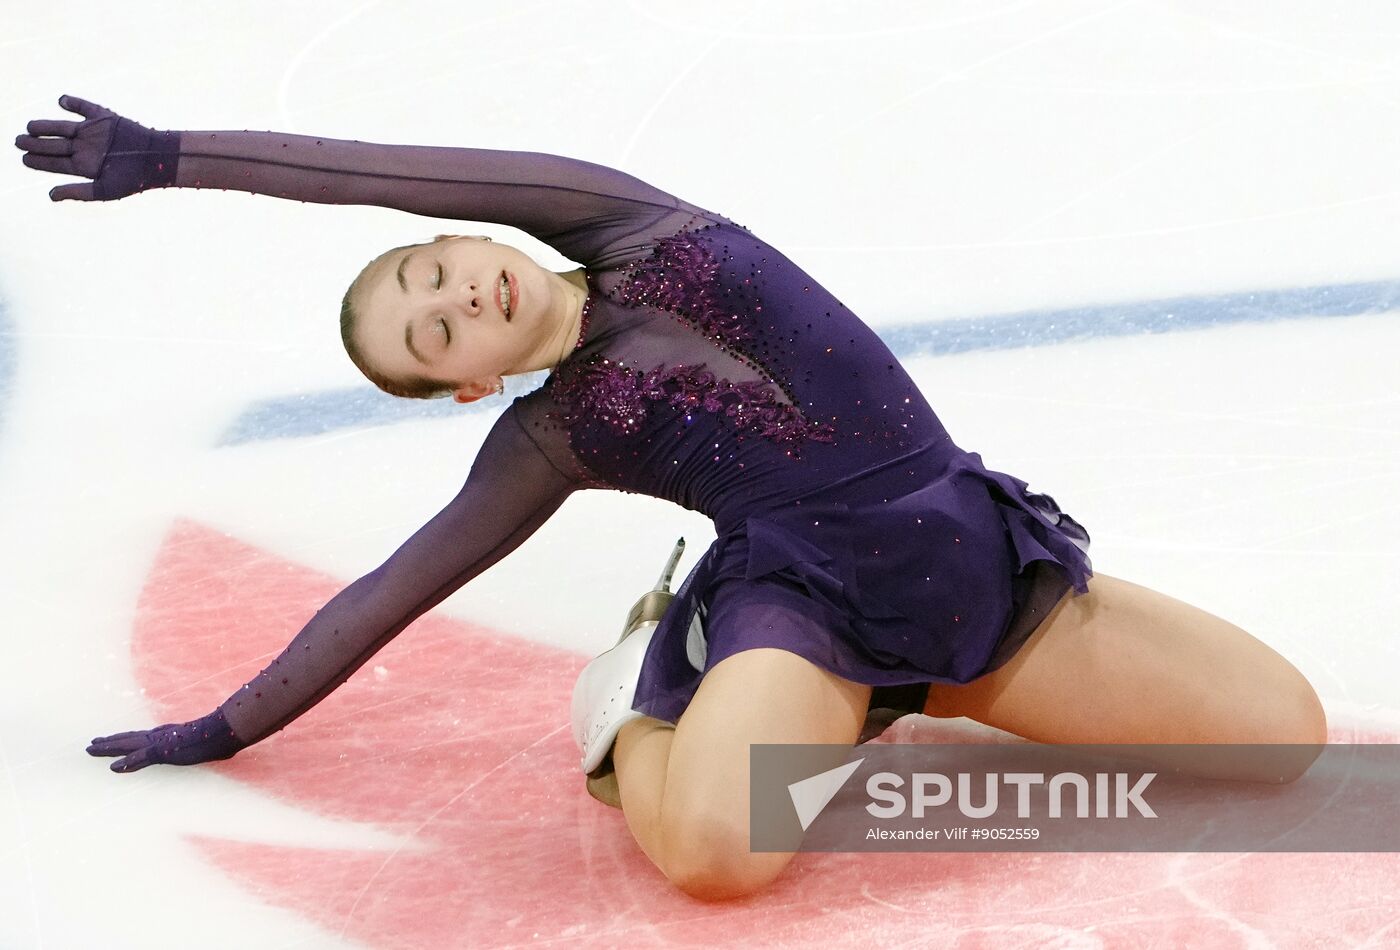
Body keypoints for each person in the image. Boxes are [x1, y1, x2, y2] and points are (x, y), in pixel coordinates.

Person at [16, 95, 1327, 901]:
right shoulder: (550, 442)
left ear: (476, 237)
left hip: (966, 557)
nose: (453, 294)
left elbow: (372, 165)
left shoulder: (624, 221)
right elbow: (391, 590)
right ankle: (632, 712)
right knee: (715, 854)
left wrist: (176, 153)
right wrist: (228, 725)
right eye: (428, 335)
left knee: (1288, 737)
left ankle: (949, 684)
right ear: (464, 388)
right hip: (804, 609)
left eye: (433, 267)